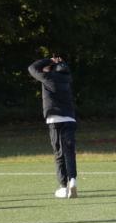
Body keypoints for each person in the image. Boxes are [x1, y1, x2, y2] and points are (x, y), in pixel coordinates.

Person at [28, 56, 79, 198]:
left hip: (54, 119)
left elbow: (32, 68)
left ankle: (63, 187)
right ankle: (73, 180)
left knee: (59, 154)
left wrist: (49, 60)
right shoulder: (67, 79)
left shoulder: (48, 77)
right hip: (70, 119)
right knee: (69, 151)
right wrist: (60, 63)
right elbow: (64, 68)